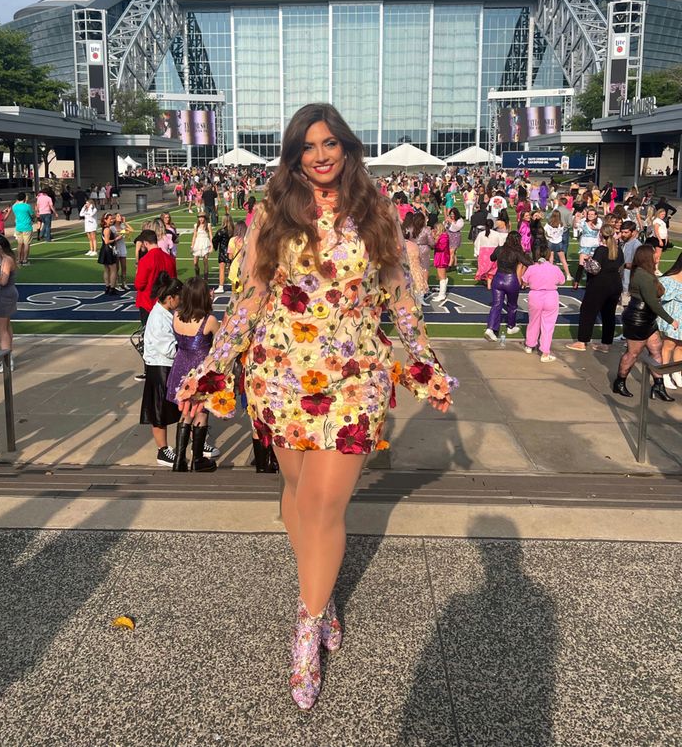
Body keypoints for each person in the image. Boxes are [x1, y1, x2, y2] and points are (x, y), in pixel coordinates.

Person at [175, 103, 453, 711]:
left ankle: (307, 625)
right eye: (308, 145)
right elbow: (249, 299)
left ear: (347, 148)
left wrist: (424, 360)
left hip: (356, 377)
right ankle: (321, 598)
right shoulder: (270, 214)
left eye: (330, 143)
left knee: (325, 504)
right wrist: (213, 365)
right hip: (280, 376)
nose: (321, 155)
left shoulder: (377, 212)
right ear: (294, 154)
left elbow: (401, 299)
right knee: (298, 498)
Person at [166, 277, 219, 473]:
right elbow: (221, 345)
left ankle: (179, 459)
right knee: (200, 412)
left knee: (185, 410)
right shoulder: (209, 320)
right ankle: (197, 459)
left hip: (181, 365)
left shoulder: (176, 315)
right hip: (200, 369)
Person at [613, 245, 677, 400]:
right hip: (638, 318)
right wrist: (670, 320)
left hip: (647, 318)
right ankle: (619, 382)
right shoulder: (644, 276)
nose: (657, 256)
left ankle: (658, 385)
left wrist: (626, 265)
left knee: (656, 350)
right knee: (633, 353)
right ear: (647, 257)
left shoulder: (644, 271)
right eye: (654, 254)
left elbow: (630, 265)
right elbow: (652, 303)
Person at [139, 272, 184, 466]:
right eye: (180, 298)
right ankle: (162, 450)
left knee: (172, 408)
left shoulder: (166, 312)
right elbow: (167, 349)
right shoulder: (158, 318)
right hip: (159, 367)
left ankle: (174, 446)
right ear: (170, 298)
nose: (181, 302)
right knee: (159, 411)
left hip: (167, 366)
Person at [566, 224, 623, 353]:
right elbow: (620, 266)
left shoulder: (601, 250)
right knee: (609, 314)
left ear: (601, 235)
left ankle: (582, 341)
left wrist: (586, 261)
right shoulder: (618, 250)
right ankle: (606, 343)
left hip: (599, 285)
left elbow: (595, 269)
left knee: (588, 312)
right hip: (615, 284)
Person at [522, 240, 566, 361]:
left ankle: (530, 345)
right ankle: (545, 352)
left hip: (535, 295)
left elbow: (524, 281)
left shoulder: (531, 268)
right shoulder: (554, 268)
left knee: (533, 321)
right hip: (550, 296)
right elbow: (562, 281)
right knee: (548, 325)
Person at [485, 230, 531, 342]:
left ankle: (490, 328)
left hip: (498, 278)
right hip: (511, 280)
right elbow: (529, 263)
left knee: (496, 305)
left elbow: (492, 258)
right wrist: (524, 254)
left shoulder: (500, 249)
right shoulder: (517, 252)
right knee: (512, 305)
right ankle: (511, 326)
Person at [0, 235, 19, 372]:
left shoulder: (6, 260)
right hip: (6, 294)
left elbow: (3, 281)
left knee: (2, 329)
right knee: (6, 327)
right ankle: (8, 358)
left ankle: (6, 361)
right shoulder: (6, 259)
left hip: (4, 295)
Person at [659, 252, 682, 390]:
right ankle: (665, 374)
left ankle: (677, 372)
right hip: (673, 320)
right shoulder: (668, 279)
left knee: (680, 346)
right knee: (669, 345)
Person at [620, 220, 642, 306]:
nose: (623, 234)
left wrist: (624, 265)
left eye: (626, 232)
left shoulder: (637, 245)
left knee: (626, 309)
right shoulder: (624, 243)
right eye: (622, 232)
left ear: (633, 232)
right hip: (621, 280)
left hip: (629, 284)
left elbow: (638, 265)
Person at [544, 210, 571, 280]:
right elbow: (561, 233)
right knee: (563, 260)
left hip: (550, 242)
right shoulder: (561, 224)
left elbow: (545, 231)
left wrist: (548, 236)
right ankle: (568, 275)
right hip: (559, 242)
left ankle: (550, 274)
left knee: (551, 258)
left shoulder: (549, 224)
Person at [474, 219, 500, 289]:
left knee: (486, 268)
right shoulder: (497, 234)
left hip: (483, 254)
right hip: (493, 253)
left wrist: (477, 253)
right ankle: (489, 284)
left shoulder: (481, 234)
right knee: (492, 269)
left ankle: (488, 284)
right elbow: (500, 244)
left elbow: (477, 244)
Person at [97, 213, 120, 295]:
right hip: (108, 250)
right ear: (105, 220)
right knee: (113, 269)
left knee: (106, 269)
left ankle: (107, 287)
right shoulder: (107, 229)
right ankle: (112, 288)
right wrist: (116, 239)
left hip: (104, 249)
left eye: (112, 219)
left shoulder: (104, 228)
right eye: (110, 219)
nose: (111, 220)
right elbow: (107, 241)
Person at [212, 213, 234, 293]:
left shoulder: (221, 230)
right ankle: (234, 285)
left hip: (223, 251)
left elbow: (215, 239)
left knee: (222, 269)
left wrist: (215, 246)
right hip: (232, 250)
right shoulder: (233, 230)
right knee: (231, 269)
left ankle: (221, 287)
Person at [11, 193, 35, 267]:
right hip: (27, 227)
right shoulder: (27, 206)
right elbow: (32, 215)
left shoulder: (14, 207)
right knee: (26, 244)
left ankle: (19, 259)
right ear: (24, 198)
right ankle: (25, 260)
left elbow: (15, 206)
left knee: (20, 244)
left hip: (18, 227)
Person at [431, 221, 450, 304]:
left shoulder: (444, 236)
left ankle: (442, 294)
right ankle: (442, 292)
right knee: (442, 276)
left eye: (435, 229)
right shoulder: (442, 236)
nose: (434, 230)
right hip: (440, 256)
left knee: (442, 277)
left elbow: (441, 247)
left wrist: (434, 240)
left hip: (442, 257)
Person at [190, 213, 213, 279]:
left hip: (205, 243)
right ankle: (197, 276)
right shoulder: (196, 225)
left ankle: (206, 279)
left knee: (205, 262)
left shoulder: (208, 225)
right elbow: (194, 236)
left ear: (205, 218)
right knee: (195, 263)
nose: (201, 219)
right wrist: (192, 246)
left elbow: (211, 236)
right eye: (199, 217)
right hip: (197, 243)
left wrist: (212, 246)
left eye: (202, 217)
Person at [113, 213, 132, 291]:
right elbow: (115, 236)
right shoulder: (112, 227)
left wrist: (124, 222)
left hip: (122, 247)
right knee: (117, 267)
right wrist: (121, 232)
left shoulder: (122, 226)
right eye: (118, 216)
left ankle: (124, 283)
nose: (120, 217)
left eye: (120, 216)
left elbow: (131, 230)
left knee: (124, 266)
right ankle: (116, 284)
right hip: (116, 247)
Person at [652, 208, 668, 274]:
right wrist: (660, 240)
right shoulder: (657, 221)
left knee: (658, 255)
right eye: (662, 214)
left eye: (664, 214)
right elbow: (656, 231)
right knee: (657, 255)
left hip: (662, 239)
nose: (663, 215)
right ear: (658, 213)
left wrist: (666, 239)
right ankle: (655, 268)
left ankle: (655, 268)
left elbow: (665, 231)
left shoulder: (661, 221)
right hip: (659, 239)